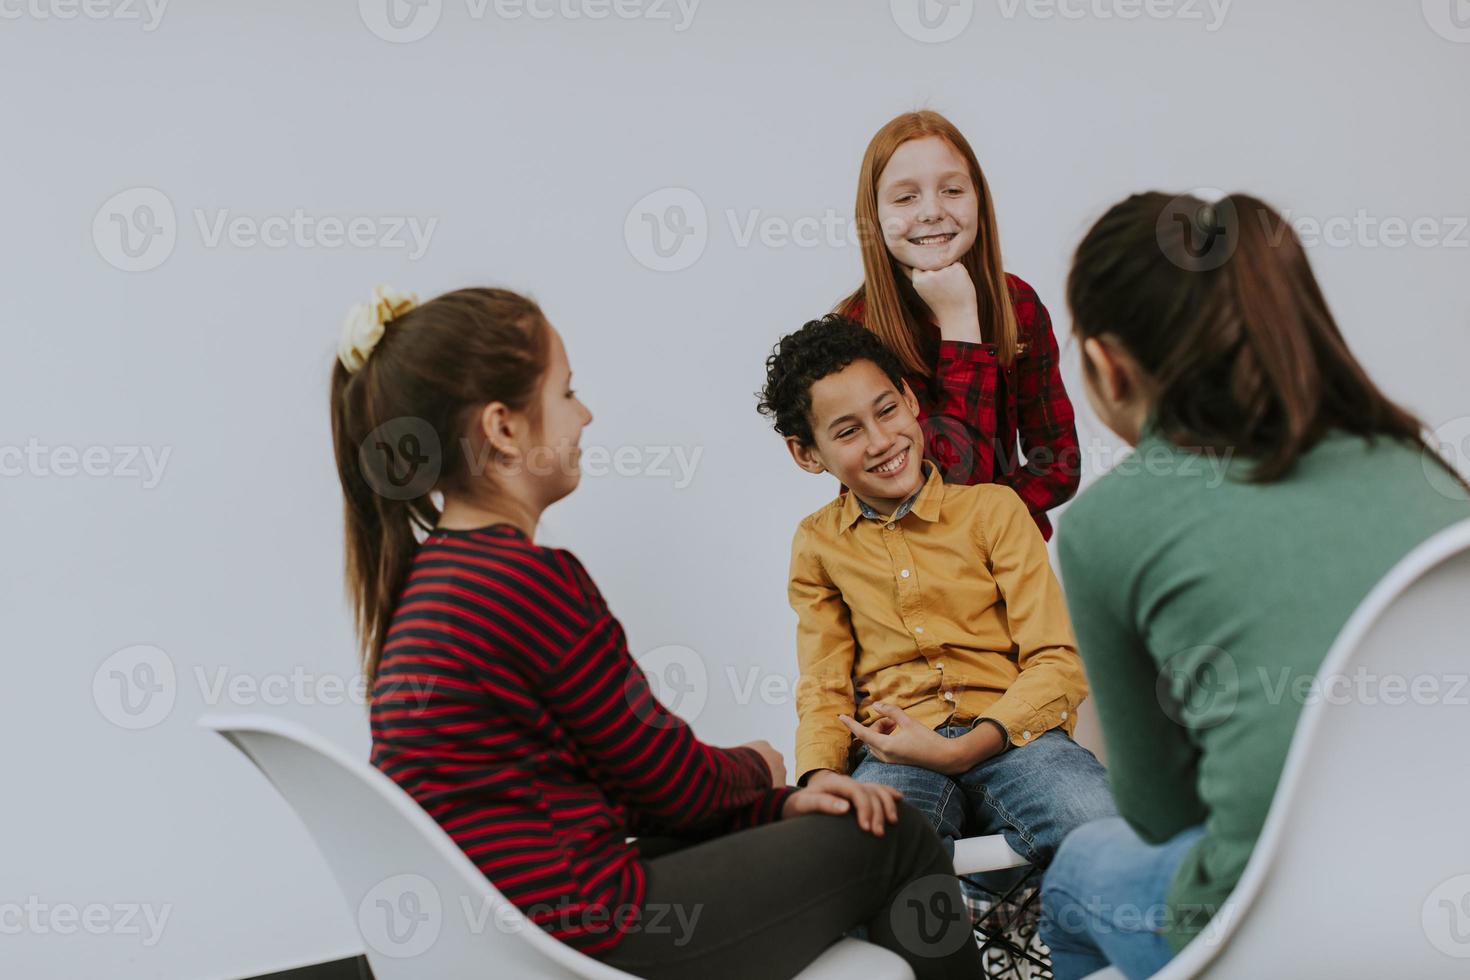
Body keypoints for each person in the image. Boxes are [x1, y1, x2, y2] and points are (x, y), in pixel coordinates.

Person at [328, 284, 983, 980]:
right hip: (592, 929)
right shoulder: (523, 581)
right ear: (504, 427)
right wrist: (763, 769)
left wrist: (781, 805)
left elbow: (632, 788)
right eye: (567, 392)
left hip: (521, 932)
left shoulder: (432, 587)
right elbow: (671, 785)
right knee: (893, 836)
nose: (586, 415)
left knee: (829, 829)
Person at [1040, 192, 1470, 979]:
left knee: (1074, 875)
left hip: (1279, 936)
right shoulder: (1420, 469)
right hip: (1448, 901)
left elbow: (1161, 814)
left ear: (1106, 364)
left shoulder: (1108, 523)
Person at [755, 314, 1116, 929]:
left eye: (886, 410)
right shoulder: (816, 545)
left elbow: (1055, 660)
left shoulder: (994, 511)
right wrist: (819, 776)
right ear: (806, 454)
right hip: (897, 754)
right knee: (859, 865)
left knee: (1102, 825)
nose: (880, 440)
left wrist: (968, 749)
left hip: (1017, 739)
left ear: (911, 398)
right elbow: (825, 683)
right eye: (847, 431)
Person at [836, 109, 1080, 538]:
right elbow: (942, 484)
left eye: (952, 190)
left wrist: (987, 523)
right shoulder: (854, 332)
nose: (931, 211)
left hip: (1004, 564)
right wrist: (960, 322)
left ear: (979, 203)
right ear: (873, 216)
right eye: (905, 197)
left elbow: (1059, 464)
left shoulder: (1017, 304)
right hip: (904, 574)